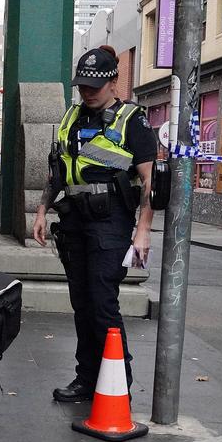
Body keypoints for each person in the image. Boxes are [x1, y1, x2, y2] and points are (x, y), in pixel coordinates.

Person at [32, 45, 155, 402]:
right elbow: (57, 169)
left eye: (94, 86)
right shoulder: (73, 116)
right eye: (82, 85)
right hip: (74, 220)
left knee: (103, 303)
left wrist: (142, 231)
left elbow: (150, 182)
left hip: (110, 222)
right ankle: (86, 378)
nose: (86, 92)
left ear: (113, 81)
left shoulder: (133, 120)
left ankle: (118, 388)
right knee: (82, 304)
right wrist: (41, 210)